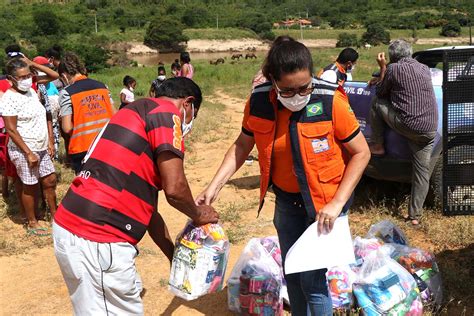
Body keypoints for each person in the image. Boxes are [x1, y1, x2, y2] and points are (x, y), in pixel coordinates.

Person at [196, 41, 370, 315]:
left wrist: (337, 203)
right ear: (272, 80)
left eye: (304, 87)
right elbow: (242, 145)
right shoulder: (258, 102)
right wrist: (214, 185)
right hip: (287, 202)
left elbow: (361, 153)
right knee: (293, 272)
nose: (298, 95)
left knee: (311, 280)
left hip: (324, 206)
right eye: (287, 90)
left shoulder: (329, 100)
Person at [53, 77, 219, 315]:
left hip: (72, 226)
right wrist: (198, 213)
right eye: (194, 115)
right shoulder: (166, 113)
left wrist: (174, 257)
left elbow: (149, 211)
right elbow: (175, 188)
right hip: (100, 236)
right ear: (188, 104)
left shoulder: (134, 111)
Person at [368, 39, 437, 226]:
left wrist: (382, 68)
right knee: (422, 173)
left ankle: (378, 144)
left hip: (409, 125)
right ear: (411, 52)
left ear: (392, 57)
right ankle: (415, 217)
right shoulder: (424, 68)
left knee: (377, 103)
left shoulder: (393, 70)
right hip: (430, 129)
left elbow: (382, 92)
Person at [0, 58, 58, 235]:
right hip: (24, 149)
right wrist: (28, 153)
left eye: (28, 75)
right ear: (12, 78)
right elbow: (10, 129)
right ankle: (32, 222)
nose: (27, 79)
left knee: (50, 181)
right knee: (30, 185)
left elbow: (54, 75)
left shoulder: (31, 90)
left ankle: (56, 217)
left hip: (41, 146)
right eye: (22, 76)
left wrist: (33, 65)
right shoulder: (9, 98)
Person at [58, 52, 115, 174]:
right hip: (108, 143)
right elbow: (115, 115)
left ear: (64, 75)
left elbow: (67, 128)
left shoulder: (67, 93)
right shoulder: (102, 87)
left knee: (88, 189)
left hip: (83, 148)